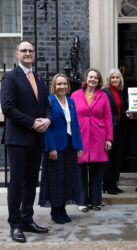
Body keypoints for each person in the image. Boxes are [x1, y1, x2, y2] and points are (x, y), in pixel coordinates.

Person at [1, 40, 51, 243]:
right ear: (17, 54)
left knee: (31, 182)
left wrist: (47, 120)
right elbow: (8, 108)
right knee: (17, 183)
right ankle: (15, 224)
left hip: (36, 139)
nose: (28, 53)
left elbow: (46, 104)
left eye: (31, 50)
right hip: (19, 139)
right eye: (24, 50)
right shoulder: (10, 77)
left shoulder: (39, 78)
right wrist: (32, 123)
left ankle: (27, 219)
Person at [38, 73, 83, 224]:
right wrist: (51, 148)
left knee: (68, 178)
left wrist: (78, 145)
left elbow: (75, 124)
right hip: (55, 147)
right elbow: (47, 128)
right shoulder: (49, 101)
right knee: (56, 179)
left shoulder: (71, 102)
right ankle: (55, 210)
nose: (62, 87)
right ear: (54, 86)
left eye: (64, 84)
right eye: (59, 84)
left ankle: (62, 208)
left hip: (70, 145)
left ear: (68, 86)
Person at [71, 68, 113, 212]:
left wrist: (109, 138)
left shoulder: (103, 96)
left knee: (96, 171)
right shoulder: (75, 95)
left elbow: (108, 118)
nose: (93, 80)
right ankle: (81, 201)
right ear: (86, 78)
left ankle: (96, 201)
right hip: (80, 136)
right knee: (80, 170)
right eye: (90, 77)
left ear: (99, 81)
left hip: (98, 137)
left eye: (96, 77)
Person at [102, 69, 125, 195]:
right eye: (113, 77)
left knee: (117, 157)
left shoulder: (120, 93)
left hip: (120, 128)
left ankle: (114, 183)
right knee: (109, 158)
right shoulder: (105, 92)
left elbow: (120, 110)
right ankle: (107, 184)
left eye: (117, 77)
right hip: (110, 128)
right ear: (109, 79)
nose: (115, 80)